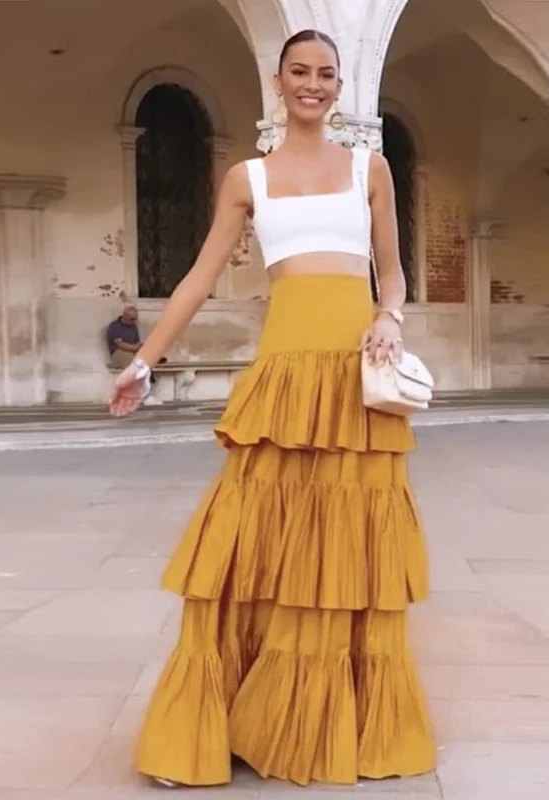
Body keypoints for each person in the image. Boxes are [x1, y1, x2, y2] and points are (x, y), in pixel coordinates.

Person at [109, 29, 435, 788]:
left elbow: (392, 276)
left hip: (356, 383)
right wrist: (143, 362)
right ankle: (229, 719)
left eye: (326, 74)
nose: (313, 85)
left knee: (347, 554)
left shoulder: (370, 169)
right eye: (300, 72)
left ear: (338, 85)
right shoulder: (245, 177)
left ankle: (327, 727)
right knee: (250, 550)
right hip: (284, 382)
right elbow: (195, 279)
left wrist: (389, 318)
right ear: (278, 80)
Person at [106, 304, 163, 405]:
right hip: (118, 353)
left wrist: (139, 346)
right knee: (137, 367)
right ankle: (143, 396)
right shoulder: (115, 326)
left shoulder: (133, 327)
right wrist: (135, 348)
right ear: (125, 316)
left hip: (132, 351)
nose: (134, 321)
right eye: (132, 318)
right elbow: (120, 344)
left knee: (145, 362)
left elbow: (136, 342)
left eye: (135, 318)